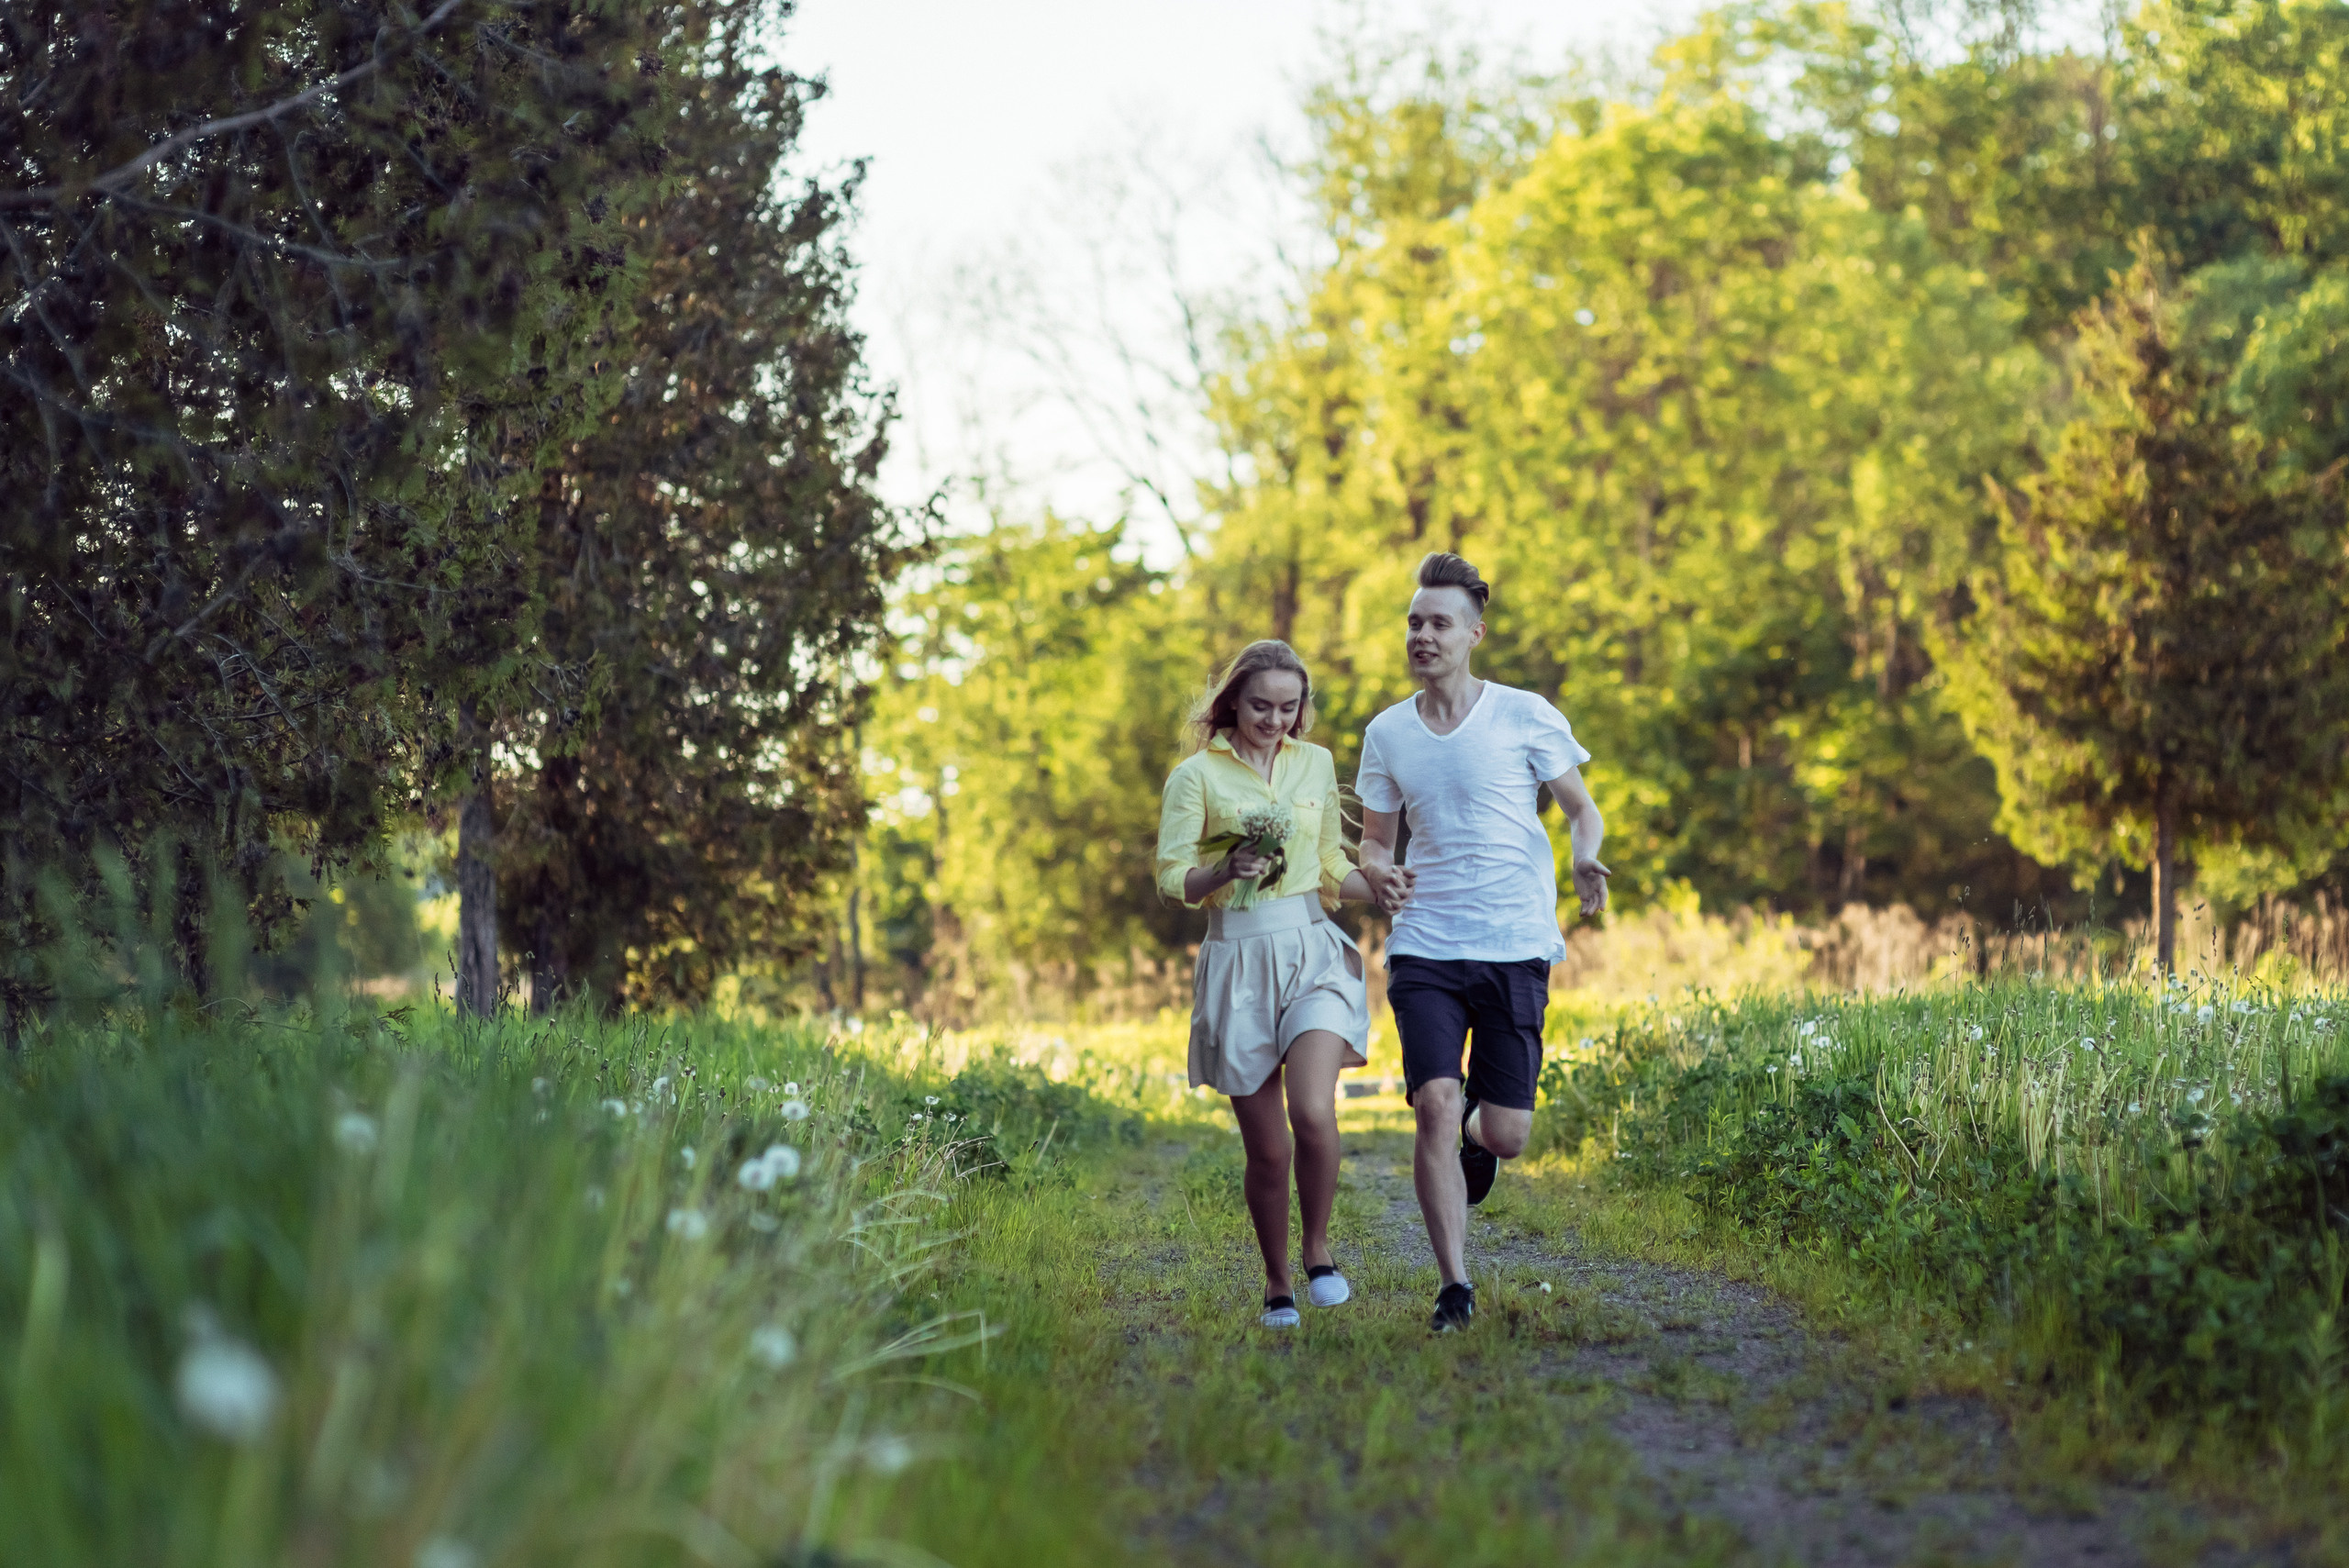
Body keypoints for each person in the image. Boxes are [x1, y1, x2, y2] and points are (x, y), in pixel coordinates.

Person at [1356, 552, 1609, 1333]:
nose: (1422, 635)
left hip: (1513, 942)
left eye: (1438, 622)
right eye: (1414, 622)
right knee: (1431, 1101)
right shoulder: (1387, 732)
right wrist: (1379, 875)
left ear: (1474, 633)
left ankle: (1477, 1133)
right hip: (1426, 944)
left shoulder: (1524, 713)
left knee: (1505, 1131)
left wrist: (1585, 854)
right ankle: (1454, 1285)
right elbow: (1373, 844)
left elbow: (1579, 807)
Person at [1155, 640, 1412, 1329]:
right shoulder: (1194, 777)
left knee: (1314, 1109)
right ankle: (1276, 1280)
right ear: (1232, 701)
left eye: (1288, 705)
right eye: (1261, 704)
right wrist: (1224, 870)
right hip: (1237, 962)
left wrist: (1380, 884)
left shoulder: (1317, 763)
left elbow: (1331, 865)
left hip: (1312, 954)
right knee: (1268, 1149)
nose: (1274, 718)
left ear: (1301, 708)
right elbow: (1172, 876)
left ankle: (1319, 1249)